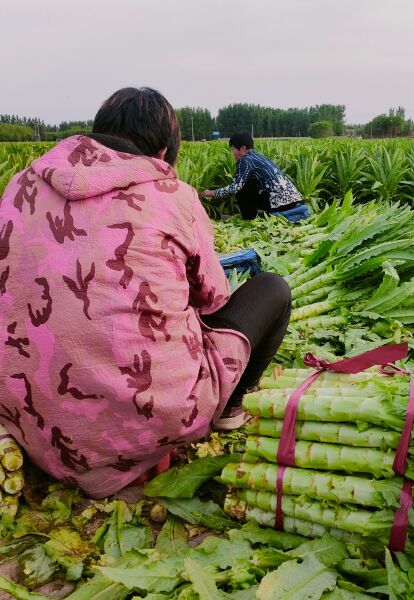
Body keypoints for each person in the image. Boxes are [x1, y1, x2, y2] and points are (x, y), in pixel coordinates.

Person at [0, 87, 291, 499]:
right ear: (160, 152)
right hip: (152, 419)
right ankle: (228, 410)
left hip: (28, 417)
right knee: (272, 289)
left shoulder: (20, 186)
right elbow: (213, 300)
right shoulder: (174, 197)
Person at [201, 132, 310, 221]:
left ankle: (249, 219)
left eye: (233, 149)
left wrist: (210, 193)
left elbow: (235, 187)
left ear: (243, 148)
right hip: (292, 200)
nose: (232, 153)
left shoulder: (245, 160)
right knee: (249, 183)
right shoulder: (259, 157)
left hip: (280, 204)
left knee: (242, 188)